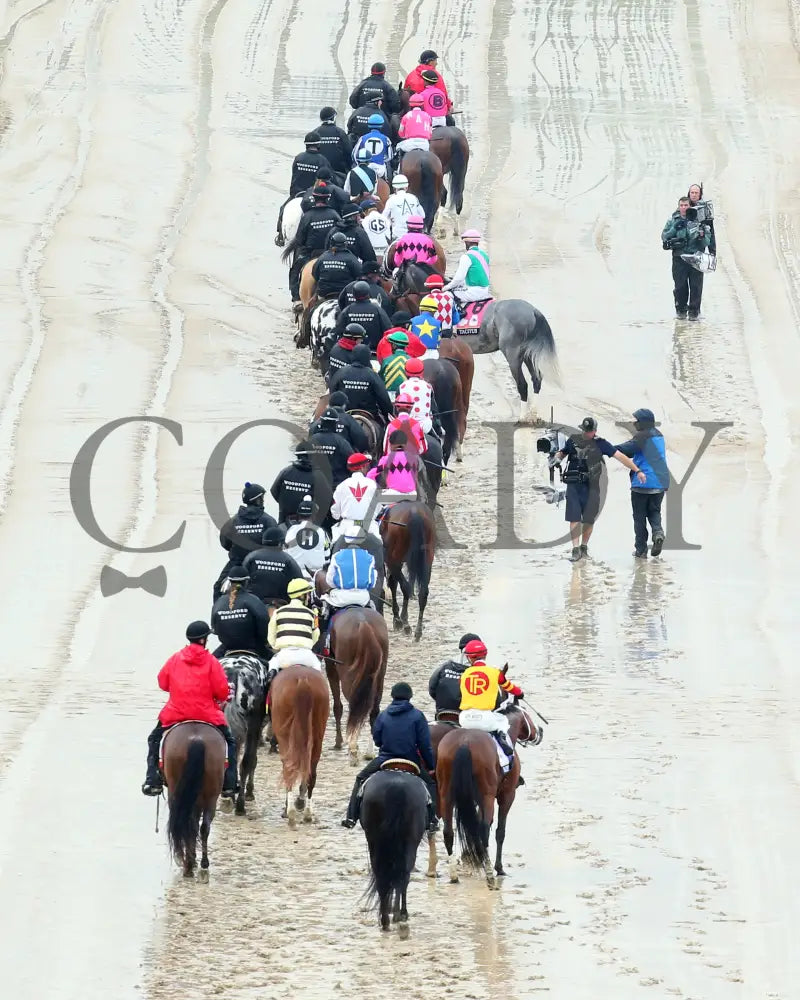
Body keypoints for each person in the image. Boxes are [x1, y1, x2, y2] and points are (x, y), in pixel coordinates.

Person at [141, 620, 238, 798]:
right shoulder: (212, 662)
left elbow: (162, 683)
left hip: (175, 714)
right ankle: (230, 783)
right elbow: (222, 691)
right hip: (208, 715)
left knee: (154, 739)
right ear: (204, 640)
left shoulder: (175, 658)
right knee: (230, 742)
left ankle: (152, 780)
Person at [342, 682, 438, 830]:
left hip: (385, 759)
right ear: (409, 697)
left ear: (393, 696)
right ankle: (432, 819)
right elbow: (425, 745)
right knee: (431, 784)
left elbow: (377, 739)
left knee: (360, 778)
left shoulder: (383, 715)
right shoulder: (418, 716)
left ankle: (351, 816)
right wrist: (431, 766)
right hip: (410, 760)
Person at [554, 417, 645, 562]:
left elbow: (620, 456)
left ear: (595, 431)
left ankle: (584, 547)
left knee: (589, 519)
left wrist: (637, 470)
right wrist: (556, 457)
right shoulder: (572, 440)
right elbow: (563, 452)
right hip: (574, 485)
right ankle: (575, 549)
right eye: (584, 430)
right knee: (574, 517)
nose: (586, 433)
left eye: (589, 431)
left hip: (592, 487)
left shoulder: (601, 443)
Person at [614, 408, 670, 558]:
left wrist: (609, 449)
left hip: (642, 483)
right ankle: (658, 533)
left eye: (636, 421)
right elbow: (634, 451)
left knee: (639, 518)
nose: (634, 423)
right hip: (660, 482)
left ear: (643, 422)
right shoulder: (659, 435)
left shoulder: (642, 436)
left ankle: (641, 550)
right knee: (654, 512)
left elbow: (626, 448)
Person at [458, 639, 522, 762]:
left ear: (469, 658)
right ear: (485, 655)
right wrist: (520, 693)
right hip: (485, 719)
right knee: (504, 722)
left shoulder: (464, 674)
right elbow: (509, 687)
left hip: (464, 719)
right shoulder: (495, 672)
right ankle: (505, 749)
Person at [213, 482, 278, 602]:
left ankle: (217, 615)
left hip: (236, 564)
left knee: (218, 588)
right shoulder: (268, 521)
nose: (263, 501)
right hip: (261, 564)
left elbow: (224, 542)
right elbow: (275, 542)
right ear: (258, 501)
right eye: (262, 499)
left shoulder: (232, 521)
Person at [288, 184, 342, 304]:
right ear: (328, 198)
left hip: (310, 253)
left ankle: (296, 299)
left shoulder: (307, 216)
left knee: (295, 271)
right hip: (331, 252)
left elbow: (300, 239)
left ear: (314, 198)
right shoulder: (334, 214)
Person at [661, 195, 712, 320]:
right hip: (679, 258)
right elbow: (664, 236)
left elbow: (707, 241)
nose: (684, 208)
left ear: (690, 206)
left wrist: (701, 235)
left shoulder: (699, 220)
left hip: (696, 258)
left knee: (696, 287)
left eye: (686, 205)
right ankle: (681, 310)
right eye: (681, 205)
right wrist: (675, 228)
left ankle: (694, 312)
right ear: (679, 207)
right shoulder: (673, 220)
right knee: (680, 286)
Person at [275, 133, 332, 244]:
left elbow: (294, 175)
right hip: (314, 194)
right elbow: (328, 178)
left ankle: (280, 236)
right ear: (318, 145)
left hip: (296, 193)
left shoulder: (298, 157)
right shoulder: (322, 160)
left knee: (283, 209)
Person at [317, 542, 378, 642]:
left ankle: (324, 641)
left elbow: (329, 580)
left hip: (342, 598)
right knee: (373, 610)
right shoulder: (369, 557)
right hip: (363, 598)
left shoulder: (337, 556)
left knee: (324, 607)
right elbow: (373, 582)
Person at [211, 565, 270, 660]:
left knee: (208, 663)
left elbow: (215, 630)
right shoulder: (254, 600)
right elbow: (264, 623)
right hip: (254, 646)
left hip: (227, 647)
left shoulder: (219, 602)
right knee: (277, 666)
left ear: (229, 582)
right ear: (246, 581)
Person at [266, 577, 322, 678]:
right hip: (306, 655)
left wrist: (276, 646)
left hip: (284, 656)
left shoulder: (278, 612)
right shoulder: (312, 614)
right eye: (308, 594)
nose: (308, 597)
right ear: (301, 595)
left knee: (272, 665)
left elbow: (271, 635)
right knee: (318, 668)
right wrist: (306, 645)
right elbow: (315, 636)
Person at [271, 441, 333, 525]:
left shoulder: (286, 471)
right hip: (309, 521)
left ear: (297, 455)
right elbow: (327, 498)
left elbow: (274, 490)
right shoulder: (318, 475)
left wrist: (285, 504)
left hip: (285, 520)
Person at [328, 344, 395, 423]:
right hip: (369, 415)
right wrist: (388, 415)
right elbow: (383, 398)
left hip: (344, 413)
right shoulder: (372, 375)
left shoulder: (341, 372)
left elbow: (332, 390)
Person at [242, 526, 304, 604]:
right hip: (280, 605)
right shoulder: (288, 560)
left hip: (253, 603)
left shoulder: (251, 557)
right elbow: (300, 583)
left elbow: (241, 578)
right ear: (280, 543)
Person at [428, 632, 483, 718]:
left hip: (442, 714)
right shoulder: (481, 672)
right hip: (468, 717)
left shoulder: (444, 667)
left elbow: (432, 689)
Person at [331, 452, 381, 542]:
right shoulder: (372, 484)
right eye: (366, 466)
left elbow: (335, 512)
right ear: (362, 467)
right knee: (380, 548)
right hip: (369, 526)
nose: (367, 468)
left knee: (334, 549)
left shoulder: (342, 486)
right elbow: (378, 507)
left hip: (346, 527)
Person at [333, 280, 392, 348]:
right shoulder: (378, 310)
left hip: (350, 351)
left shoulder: (347, 311)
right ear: (368, 294)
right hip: (374, 352)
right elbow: (388, 329)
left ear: (354, 295)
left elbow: (339, 330)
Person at [283, 495, 331, 578]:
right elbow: (327, 556)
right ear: (314, 515)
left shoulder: (291, 531)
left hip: (295, 575)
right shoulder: (321, 532)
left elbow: (285, 553)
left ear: (298, 514)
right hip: (316, 576)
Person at [367, 429, 421, 501]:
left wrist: (376, 487)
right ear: (406, 444)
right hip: (412, 494)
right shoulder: (414, 458)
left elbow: (370, 475)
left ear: (390, 444)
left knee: (374, 503)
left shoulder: (386, 459)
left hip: (393, 494)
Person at [404, 49, 455, 124]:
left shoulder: (411, 75)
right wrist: (449, 106)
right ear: (430, 62)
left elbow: (405, 94)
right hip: (434, 116)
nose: (436, 63)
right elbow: (443, 94)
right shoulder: (435, 75)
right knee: (451, 122)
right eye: (435, 61)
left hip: (412, 112)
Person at [308, 408, 355, 487]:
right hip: (336, 484)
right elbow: (352, 461)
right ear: (335, 423)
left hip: (315, 484)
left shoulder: (312, 440)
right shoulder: (342, 442)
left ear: (321, 422)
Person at [443, 229, 491, 304]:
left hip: (474, 293)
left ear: (467, 242)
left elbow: (459, 278)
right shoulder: (484, 255)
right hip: (486, 290)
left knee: (446, 295)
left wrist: (445, 288)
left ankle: (455, 315)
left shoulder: (466, 256)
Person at [312, 232, 363, 300]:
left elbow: (315, 274)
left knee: (312, 308)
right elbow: (359, 275)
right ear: (345, 244)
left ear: (331, 243)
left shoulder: (322, 257)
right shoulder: (351, 258)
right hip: (345, 294)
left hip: (324, 294)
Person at [397, 357, 437, 434]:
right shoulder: (428, 386)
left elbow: (396, 410)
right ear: (422, 372)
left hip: (405, 426)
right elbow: (434, 409)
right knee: (438, 438)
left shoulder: (401, 386)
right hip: (425, 427)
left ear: (406, 372)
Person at [382, 175, 424, 240]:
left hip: (397, 237)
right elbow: (422, 215)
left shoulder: (391, 200)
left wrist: (391, 220)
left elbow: (383, 218)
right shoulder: (414, 198)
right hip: (414, 236)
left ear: (394, 188)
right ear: (406, 188)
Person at [352, 114, 393, 180]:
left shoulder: (362, 138)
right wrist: (381, 159)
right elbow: (390, 156)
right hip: (380, 169)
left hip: (365, 168)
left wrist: (359, 164)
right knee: (389, 177)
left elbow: (354, 154)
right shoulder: (386, 139)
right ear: (381, 126)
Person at [397, 94, 432, 166]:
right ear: (422, 105)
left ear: (410, 105)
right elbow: (430, 134)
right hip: (424, 144)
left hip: (410, 144)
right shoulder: (428, 116)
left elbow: (400, 133)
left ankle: (399, 169)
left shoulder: (406, 116)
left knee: (398, 147)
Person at [315, 107, 352, 176]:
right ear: (334, 118)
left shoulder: (315, 132)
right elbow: (349, 152)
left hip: (319, 171)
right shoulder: (340, 132)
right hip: (338, 172)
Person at [378, 330, 410, 396]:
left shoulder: (387, 360)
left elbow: (380, 378)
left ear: (394, 345)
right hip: (406, 394)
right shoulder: (410, 360)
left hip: (389, 394)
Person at [688, 182, 716, 254]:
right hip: (684, 248)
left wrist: (712, 251)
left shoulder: (705, 210)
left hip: (699, 247)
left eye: (696, 193)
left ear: (700, 194)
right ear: (689, 193)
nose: (694, 195)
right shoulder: (683, 205)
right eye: (692, 192)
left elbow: (711, 232)